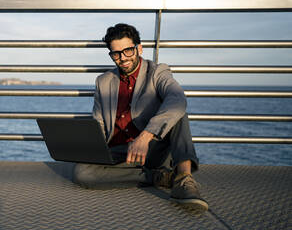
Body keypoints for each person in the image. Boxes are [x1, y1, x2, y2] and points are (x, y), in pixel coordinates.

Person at [73, 23, 208, 211]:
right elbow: (99, 123)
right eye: (116, 54)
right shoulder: (103, 81)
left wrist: (146, 136)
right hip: (120, 151)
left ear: (139, 48)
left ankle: (184, 180)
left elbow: (177, 99)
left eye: (128, 51)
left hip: (153, 148)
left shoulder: (158, 72)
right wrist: (90, 147)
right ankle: (158, 177)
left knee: (178, 112)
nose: (123, 58)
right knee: (82, 173)